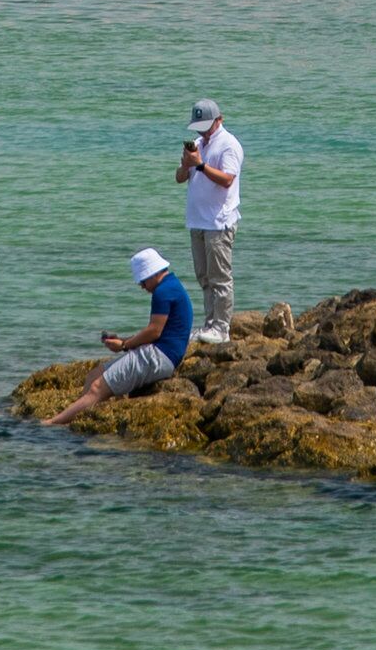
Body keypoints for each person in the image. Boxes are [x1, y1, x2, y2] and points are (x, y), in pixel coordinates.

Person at [46, 248, 196, 428]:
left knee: (96, 388)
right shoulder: (171, 285)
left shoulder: (163, 292)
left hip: (160, 357)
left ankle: (53, 423)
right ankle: (79, 416)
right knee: (94, 375)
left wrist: (125, 345)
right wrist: (124, 341)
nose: (142, 287)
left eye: (142, 281)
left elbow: (154, 332)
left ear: (151, 274)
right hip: (161, 352)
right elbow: (157, 332)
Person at [176, 99, 242, 347]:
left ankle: (222, 328)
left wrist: (201, 165)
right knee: (204, 277)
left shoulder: (229, 145)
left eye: (207, 126)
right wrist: (187, 163)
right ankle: (209, 324)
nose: (203, 131)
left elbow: (227, 180)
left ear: (219, 119)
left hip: (219, 222)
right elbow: (179, 178)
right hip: (197, 221)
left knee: (220, 278)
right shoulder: (199, 145)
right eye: (199, 127)